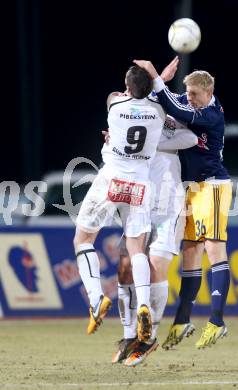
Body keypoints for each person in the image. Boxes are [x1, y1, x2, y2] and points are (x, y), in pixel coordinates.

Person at [134, 57, 232, 350]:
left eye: (194, 95)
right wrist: (159, 81)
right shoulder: (189, 101)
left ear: (208, 91)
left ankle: (217, 322)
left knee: (214, 248)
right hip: (188, 189)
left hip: (212, 185)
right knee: (190, 254)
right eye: (187, 93)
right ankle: (182, 321)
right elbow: (159, 100)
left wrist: (156, 76)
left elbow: (174, 108)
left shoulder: (212, 114)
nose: (189, 98)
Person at [73, 65, 166, 342]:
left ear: (127, 85)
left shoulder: (114, 103)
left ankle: (96, 298)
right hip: (140, 182)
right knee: (137, 248)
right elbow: (153, 97)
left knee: (83, 239)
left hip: (112, 178)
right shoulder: (159, 111)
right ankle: (145, 304)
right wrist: (159, 81)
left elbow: (123, 96)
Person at [112, 116, 198, 366]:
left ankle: (148, 339)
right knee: (125, 268)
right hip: (137, 204)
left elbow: (191, 138)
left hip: (167, 206)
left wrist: (153, 142)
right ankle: (129, 336)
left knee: (156, 263)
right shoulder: (127, 119)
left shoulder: (167, 119)